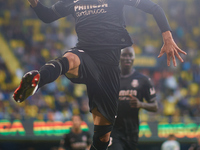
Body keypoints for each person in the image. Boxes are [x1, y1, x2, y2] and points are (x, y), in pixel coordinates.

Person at [13, 0, 187, 149]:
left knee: (103, 136)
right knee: (70, 59)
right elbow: (48, 15)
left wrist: (168, 37)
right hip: (85, 54)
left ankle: (39, 78)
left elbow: (154, 7)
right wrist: (35, 3)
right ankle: (38, 79)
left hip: (108, 69)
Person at [108, 46, 158, 150]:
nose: (127, 58)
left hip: (132, 132)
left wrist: (141, 104)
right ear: (119, 57)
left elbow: (155, 106)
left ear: (134, 58)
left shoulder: (143, 80)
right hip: (114, 130)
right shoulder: (111, 79)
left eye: (130, 55)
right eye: (124, 55)